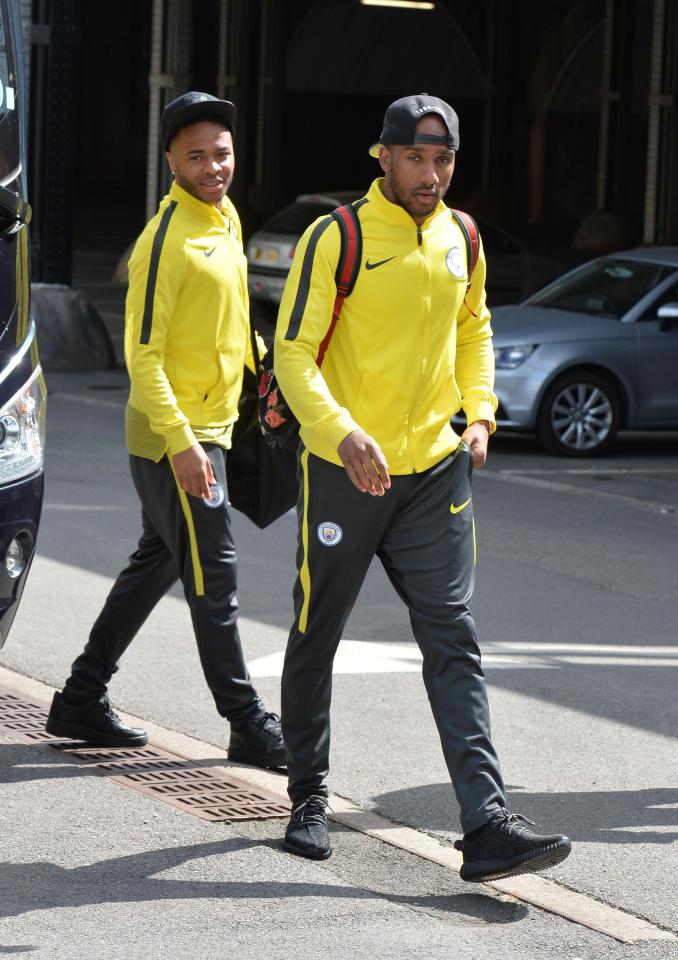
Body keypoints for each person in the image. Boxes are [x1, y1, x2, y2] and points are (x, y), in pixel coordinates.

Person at [273, 94, 571, 880]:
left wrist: (480, 414)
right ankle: (307, 795)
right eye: (415, 158)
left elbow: (476, 329)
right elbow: (292, 354)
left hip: (434, 470)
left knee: (453, 636)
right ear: (384, 156)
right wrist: (341, 431)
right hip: (346, 469)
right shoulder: (334, 238)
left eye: (443, 161)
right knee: (317, 631)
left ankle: (485, 822)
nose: (430, 175)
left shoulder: (462, 237)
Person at [45, 91, 284, 770]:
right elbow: (142, 355)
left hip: (214, 425)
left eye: (223, 153)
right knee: (217, 575)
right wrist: (181, 442)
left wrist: (261, 379)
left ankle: (81, 698)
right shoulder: (164, 241)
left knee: (157, 563)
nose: (214, 166)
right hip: (174, 438)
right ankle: (246, 721)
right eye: (198, 156)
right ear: (172, 161)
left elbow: (226, 322)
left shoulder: (226, 218)